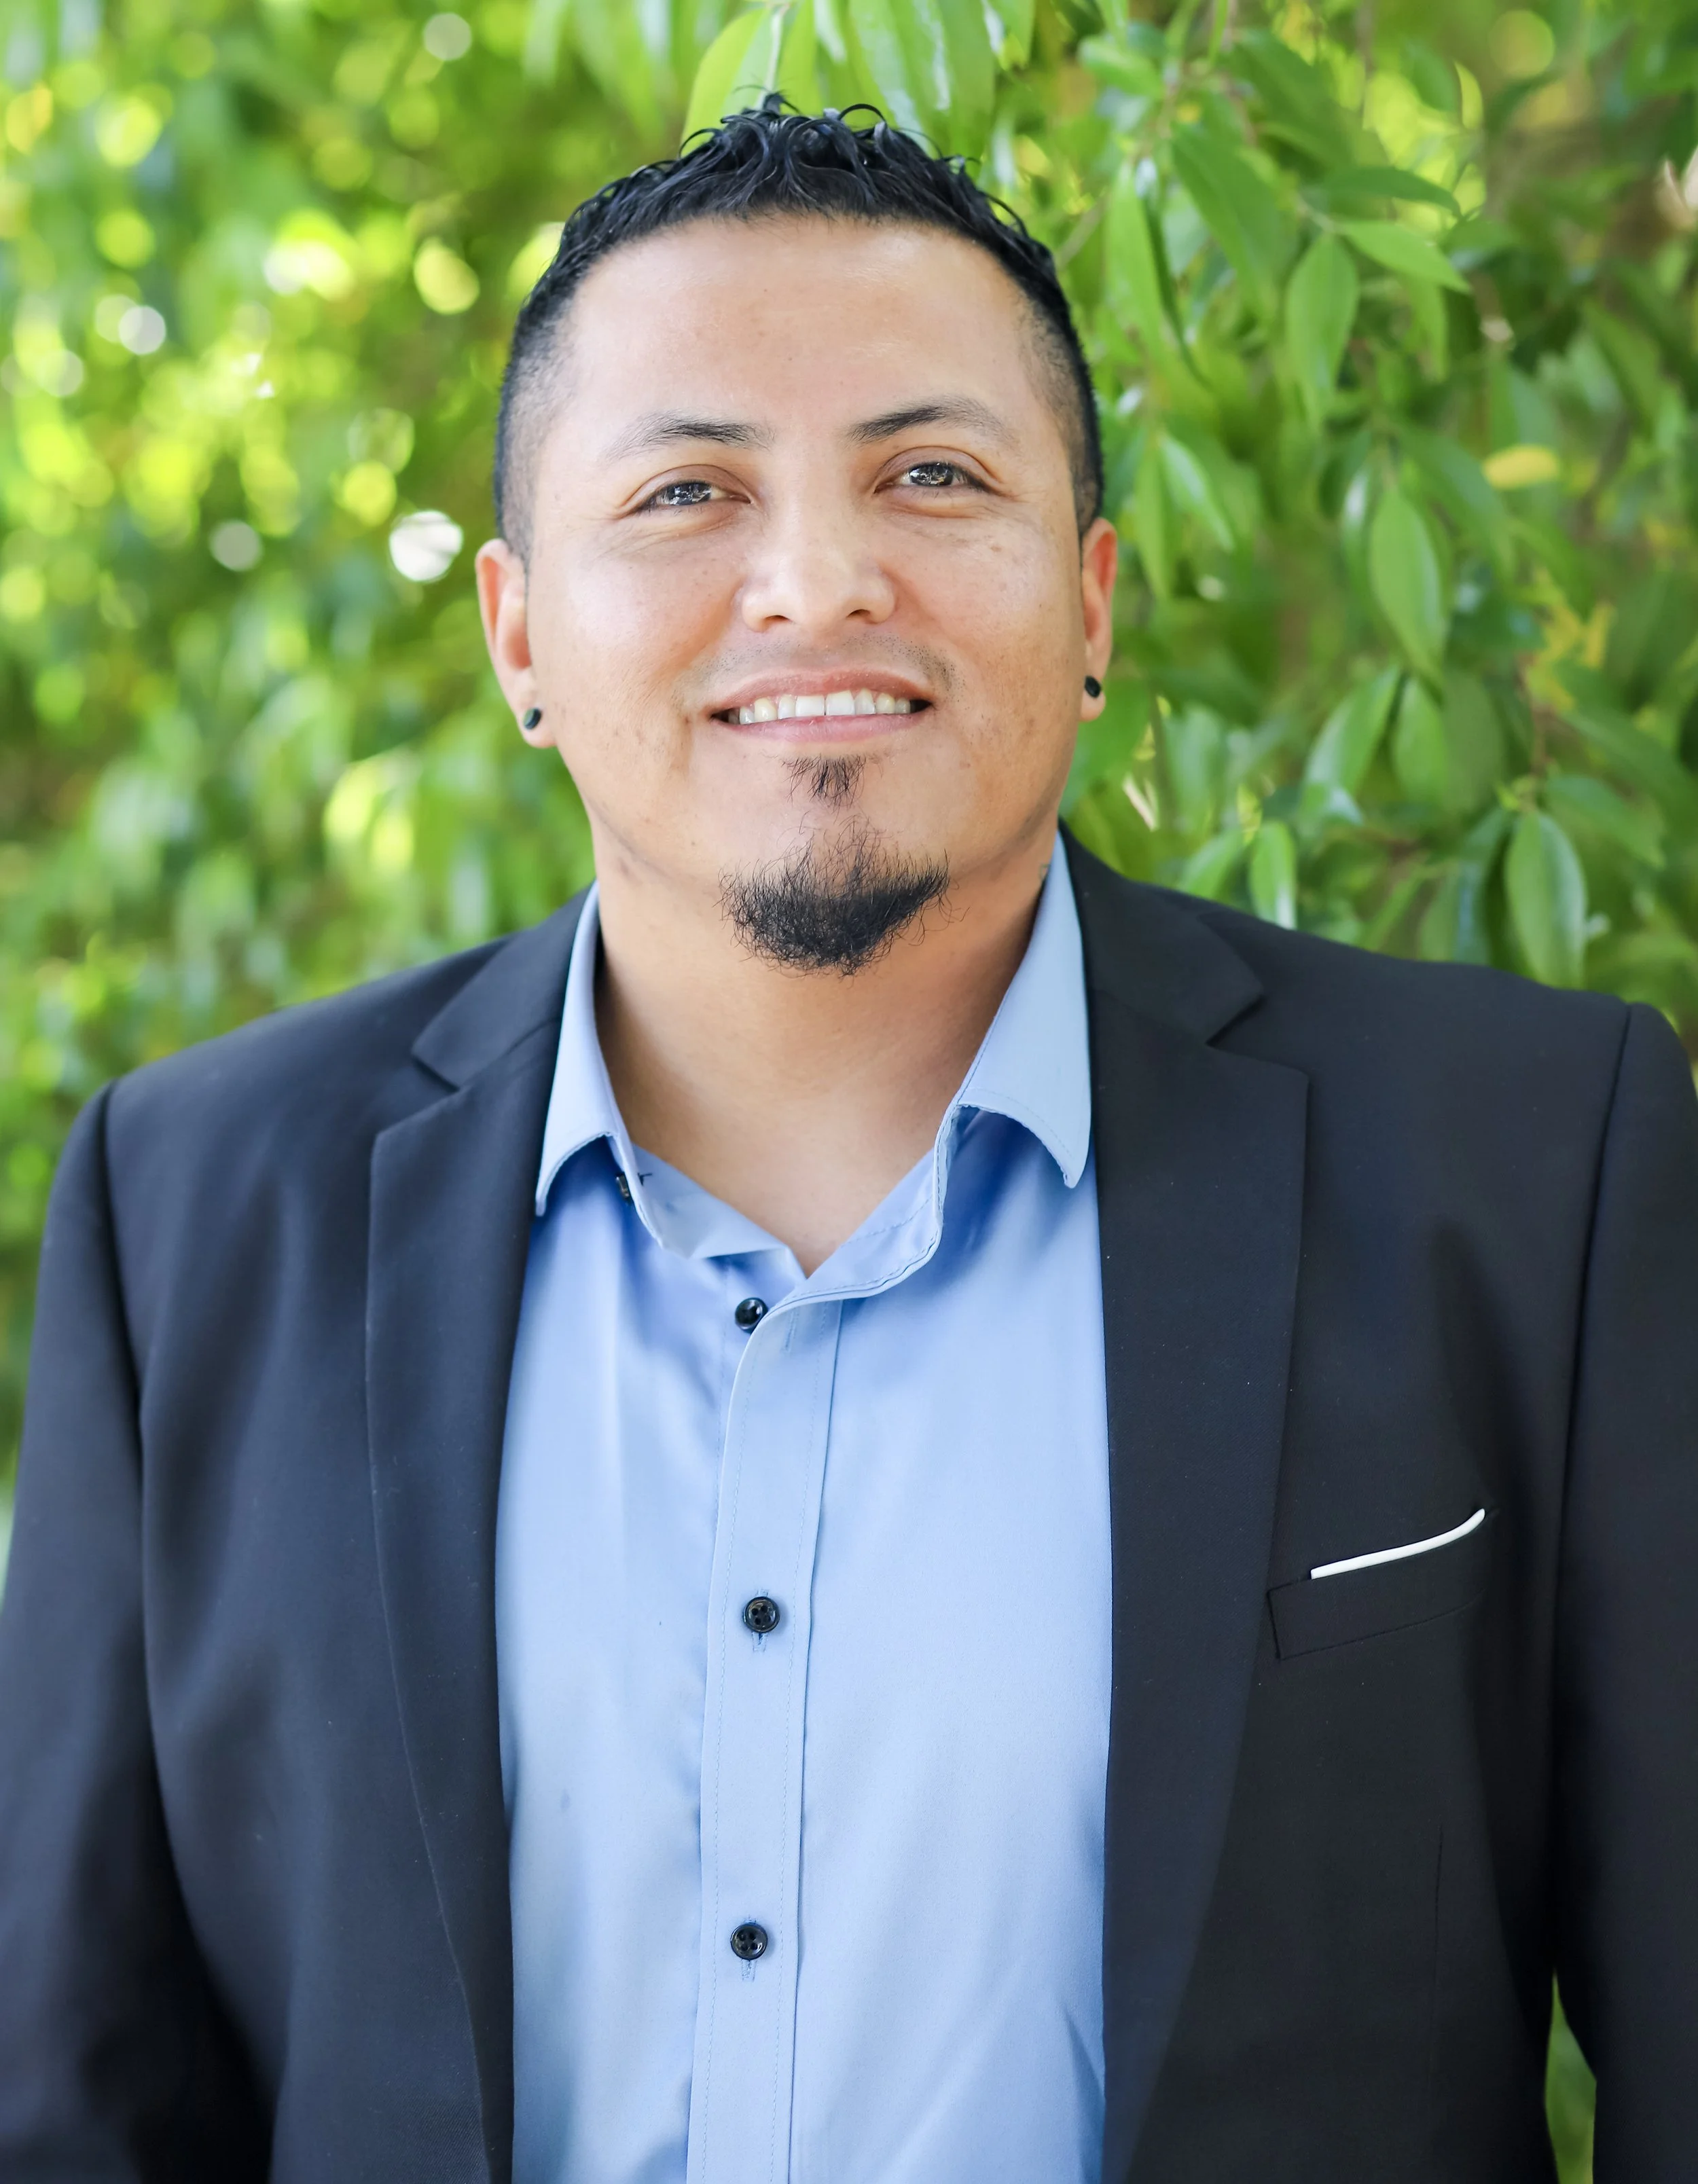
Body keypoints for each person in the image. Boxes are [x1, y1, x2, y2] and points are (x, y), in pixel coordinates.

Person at [0, 100, 1693, 2184]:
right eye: (690, 489)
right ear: (519, 633)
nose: (814, 582)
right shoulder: (191, 1215)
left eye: (932, 475)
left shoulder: (1528, 1169)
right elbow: (74, 2097)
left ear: (1087, 603)